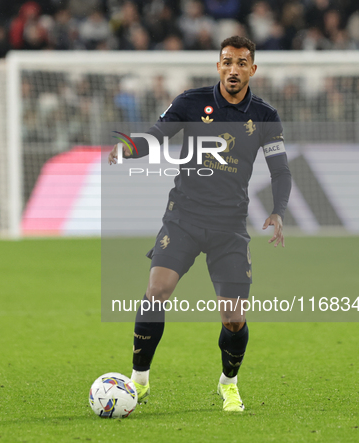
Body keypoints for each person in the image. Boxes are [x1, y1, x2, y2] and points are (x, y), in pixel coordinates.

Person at [107, 36, 292, 412]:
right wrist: (129, 146)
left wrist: (279, 210)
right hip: (185, 217)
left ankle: (229, 384)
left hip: (229, 226)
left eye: (241, 63)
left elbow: (281, 171)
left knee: (234, 317)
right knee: (157, 290)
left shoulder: (266, 117)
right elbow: (157, 137)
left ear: (252, 69)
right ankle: (138, 381)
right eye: (227, 62)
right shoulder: (191, 102)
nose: (233, 69)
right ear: (218, 66)